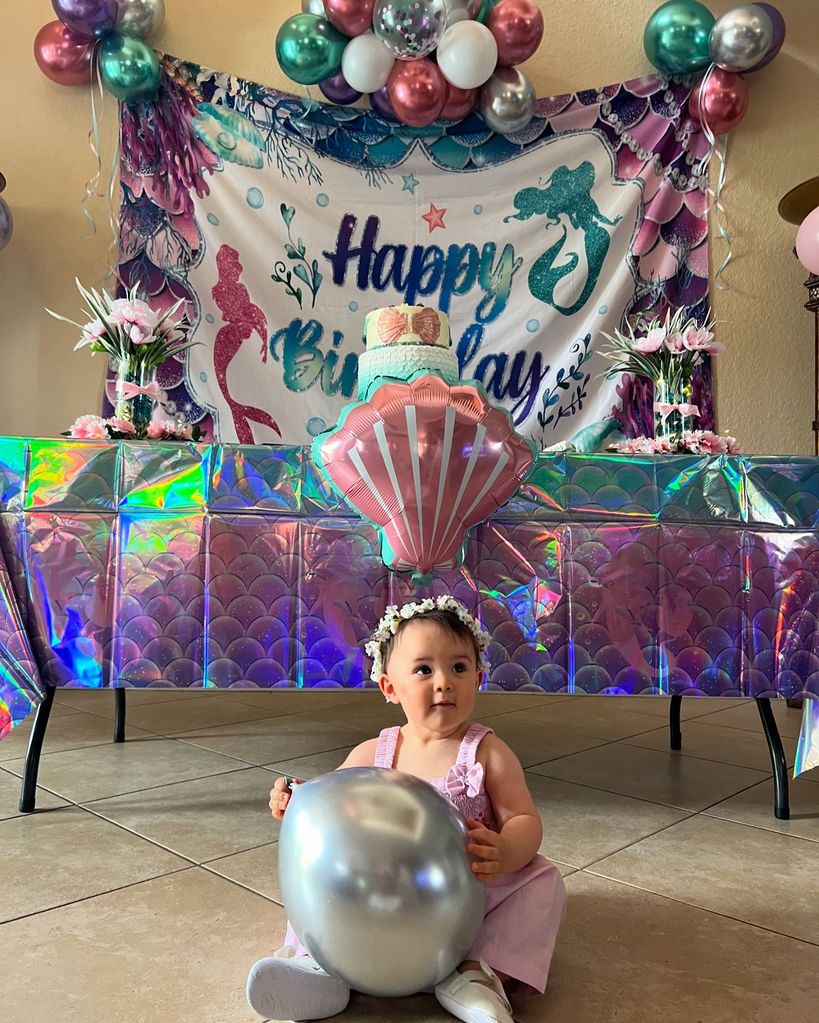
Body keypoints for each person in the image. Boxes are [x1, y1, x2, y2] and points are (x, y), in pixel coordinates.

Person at [247, 595, 567, 1023]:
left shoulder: (487, 753)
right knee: (320, 876)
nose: (443, 682)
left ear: (479, 677)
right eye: (423, 669)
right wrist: (294, 796)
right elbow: (327, 802)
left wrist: (505, 851)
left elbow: (524, 818)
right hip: (372, 892)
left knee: (543, 881)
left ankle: (477, 976)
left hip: (465, 894)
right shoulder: (374, 751)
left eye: (458, 667)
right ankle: (319, 968)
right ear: (390, 688)